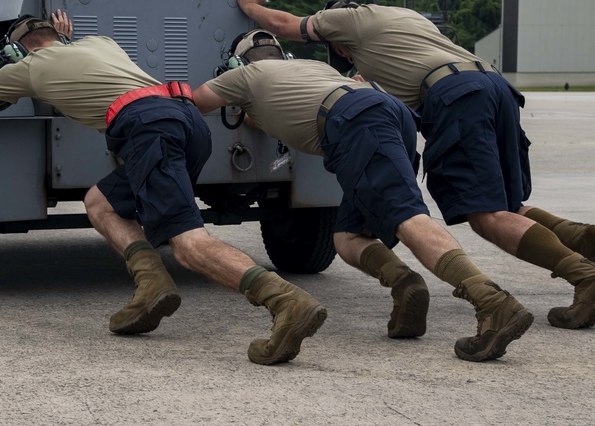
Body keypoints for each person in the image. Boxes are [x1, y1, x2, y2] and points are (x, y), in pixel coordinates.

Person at [0, 10, 327, 365]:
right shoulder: (100, 42)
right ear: (60, 38)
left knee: (188, 243)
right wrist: (65, 38)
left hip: (147, 128)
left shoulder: (26, 68)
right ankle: (152, 285)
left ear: (16, 53)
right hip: (185, 121)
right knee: (100, 202)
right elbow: (72, 60)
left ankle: (286, 302)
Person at [233, 0, 595, 331]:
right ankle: (584, 238)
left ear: (337, 38)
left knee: (486, 215)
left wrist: (250, 4)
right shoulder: (405, 20)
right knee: (506, 205)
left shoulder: (347, 20)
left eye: (338, 50)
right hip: (494, 86)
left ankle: (589, 278)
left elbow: (286, 25)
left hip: (455, 97)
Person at [193, 29, 534, 361]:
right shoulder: (312, 68)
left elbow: (197, 102)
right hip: (387, 111)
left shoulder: (244, 76)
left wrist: (228, 89)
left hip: (354, 122)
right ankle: (404, 285)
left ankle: (492, 302)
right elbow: (265, 117)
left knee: (407, 217)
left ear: (240, 61)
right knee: (346, 237)